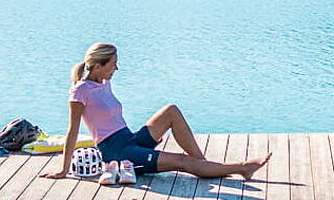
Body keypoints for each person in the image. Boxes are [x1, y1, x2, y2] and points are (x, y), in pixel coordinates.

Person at [40, 41, 271, 181]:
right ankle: (243, 168)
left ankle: (205, 164)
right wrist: (63, 169)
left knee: (171, 111)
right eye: (113, 64)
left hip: (129, 140)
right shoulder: (80, 92)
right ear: (99, 65)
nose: (116, 68)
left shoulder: (103, 83)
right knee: (182, 161)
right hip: (118, 155)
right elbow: (72, 131)